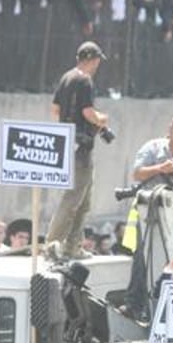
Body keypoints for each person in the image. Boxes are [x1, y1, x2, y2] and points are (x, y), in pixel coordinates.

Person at [46, 42, 109, 260]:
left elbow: (55, 110)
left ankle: (72, 247)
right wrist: (101, 119)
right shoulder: (85, 80)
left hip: (68, 142)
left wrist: (68, 126)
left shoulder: (66, 77)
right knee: (73, 199)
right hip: (81, 147)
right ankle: (52, 245)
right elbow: (88, 112)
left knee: (84, 201)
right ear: (94, 59)